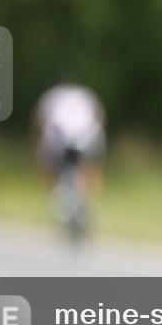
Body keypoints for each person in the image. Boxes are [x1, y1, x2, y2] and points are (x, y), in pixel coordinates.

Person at [33, 82, 106, 241]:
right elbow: (99, 116)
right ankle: (90, 200)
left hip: (58, 138)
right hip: (88, 136)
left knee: (47, 162)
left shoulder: (51, 95)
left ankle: (55, 194)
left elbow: (39, 121)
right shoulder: (86, 94)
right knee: (91, 167)